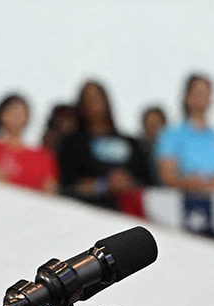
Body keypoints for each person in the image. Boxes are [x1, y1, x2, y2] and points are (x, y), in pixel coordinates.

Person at [57, 80, 151, 209]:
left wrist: (128, 184)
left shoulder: (133, 144)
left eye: (98, 97)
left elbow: (148, 183)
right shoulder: (71, 144)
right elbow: (66, 185)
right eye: (89, 99)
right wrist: (102, 185)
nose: (94, 103)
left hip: (129, 213)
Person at [153, 74, 214, 190]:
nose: (201, 97)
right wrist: (191, 183)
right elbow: (167, 176)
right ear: (187, 97)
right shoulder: (170, 136)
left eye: (205, 93)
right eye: (197, 93)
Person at [0, 94, 58, 192]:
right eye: (11, 112)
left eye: (21, 113)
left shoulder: (43, 156)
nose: (15, 117)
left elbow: (49, 187)